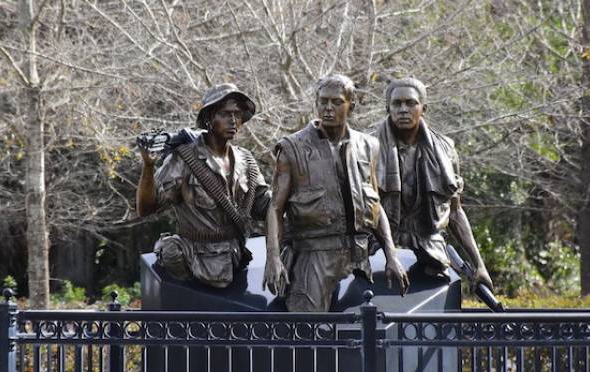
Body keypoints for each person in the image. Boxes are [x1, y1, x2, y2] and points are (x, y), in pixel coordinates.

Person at [264, 74, 409, 312]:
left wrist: (391, 254)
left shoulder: (368, 146)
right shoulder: (293, 147)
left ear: (351, 105)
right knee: (306, 327)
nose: (328, 108)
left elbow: (375, 204)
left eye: (336, 102)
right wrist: (273, 258)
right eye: (323, 101)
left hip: (360, 253)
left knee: (365, 331)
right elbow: (275, 208)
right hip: (315, 252)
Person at [136, 83, 270, 288]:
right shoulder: (183, 159)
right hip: (194, 258)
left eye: (237, 114)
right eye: (225, 114)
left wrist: (294, 196)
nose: (233, 120)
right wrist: (148, 167)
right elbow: (146, 209)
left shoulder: (246, 160)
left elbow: (263, 205)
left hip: (236, 256)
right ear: (209, 118)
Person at [374, 77, 493, 290]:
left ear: (423, 108)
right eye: (397, 104)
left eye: (411, 103)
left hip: (427, 238)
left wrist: (479, 265)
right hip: (377, 238)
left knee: (436, 271)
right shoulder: (368, 148)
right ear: (388, 108)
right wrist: (390, 255)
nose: (403, 109)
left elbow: (455, 212)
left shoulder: (445, 150)